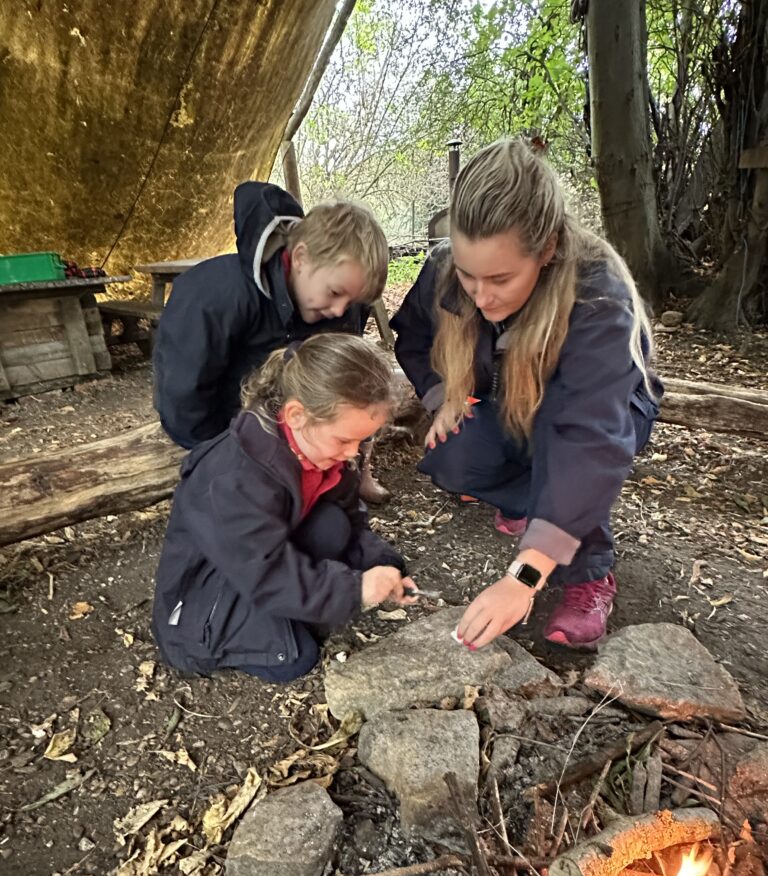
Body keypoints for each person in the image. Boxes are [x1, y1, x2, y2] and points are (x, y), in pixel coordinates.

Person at [392, 138, 662, 652]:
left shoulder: (599, 298)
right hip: (507, 397)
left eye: (499, 279)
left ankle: (587, 570)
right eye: (469, 276)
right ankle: (543, 509)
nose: (480, 295)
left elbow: (586, 438)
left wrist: (522, 576)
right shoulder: (447, 266)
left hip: (603, 413)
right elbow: (416, 337)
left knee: (557, 454)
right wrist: (440, 394)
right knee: (454, 455)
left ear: (548, 249)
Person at [152, 333, 416, 683]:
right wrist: (353, 590)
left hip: (259, 560)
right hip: (205, 603)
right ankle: (281, 614)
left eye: (362, 440)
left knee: (333, 525)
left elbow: (352, 523)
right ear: (296, 415)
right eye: (344, 439)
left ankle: (300, 602)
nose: (353, 452)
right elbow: (263, 570)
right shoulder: (232, 477)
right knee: (296, 659)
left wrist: (385, 565)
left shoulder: (324, 454)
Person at [152, 180, 389, 453]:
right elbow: (184, 397)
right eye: (334, 292)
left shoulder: (341, 303)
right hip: (225, 434)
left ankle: (360, 468)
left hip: (299, 433)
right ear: (300, 258)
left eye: (351, 302)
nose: (339, 311)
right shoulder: (213, 297)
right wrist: (223, 454)